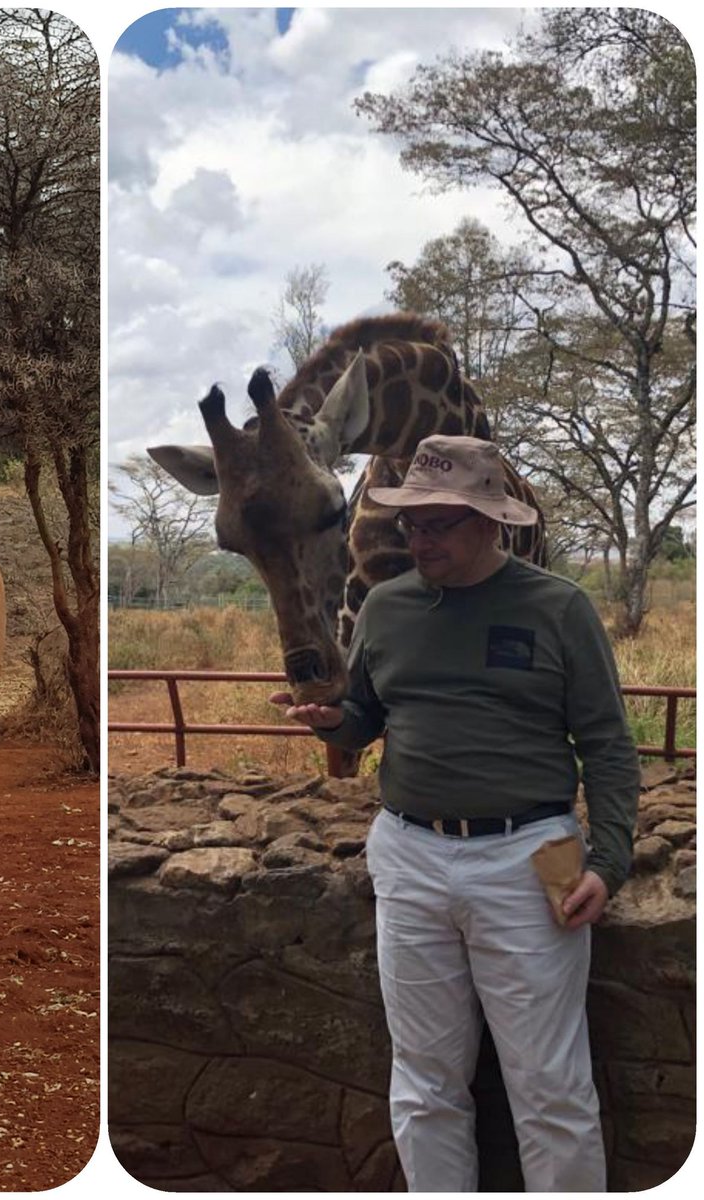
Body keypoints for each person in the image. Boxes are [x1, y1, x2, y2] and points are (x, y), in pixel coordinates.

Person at [273, 434, 639, 1192]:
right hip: (409, 854)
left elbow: (607, 743)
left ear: (489, 523)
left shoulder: (558, 608)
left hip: (531, 855)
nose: (418, 538)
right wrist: (328, 722)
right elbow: (367, 716)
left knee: (550, 1088)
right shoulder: (387, 605)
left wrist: (608, 860)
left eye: (439, 523)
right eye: (411, 522)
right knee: (424, 1082)